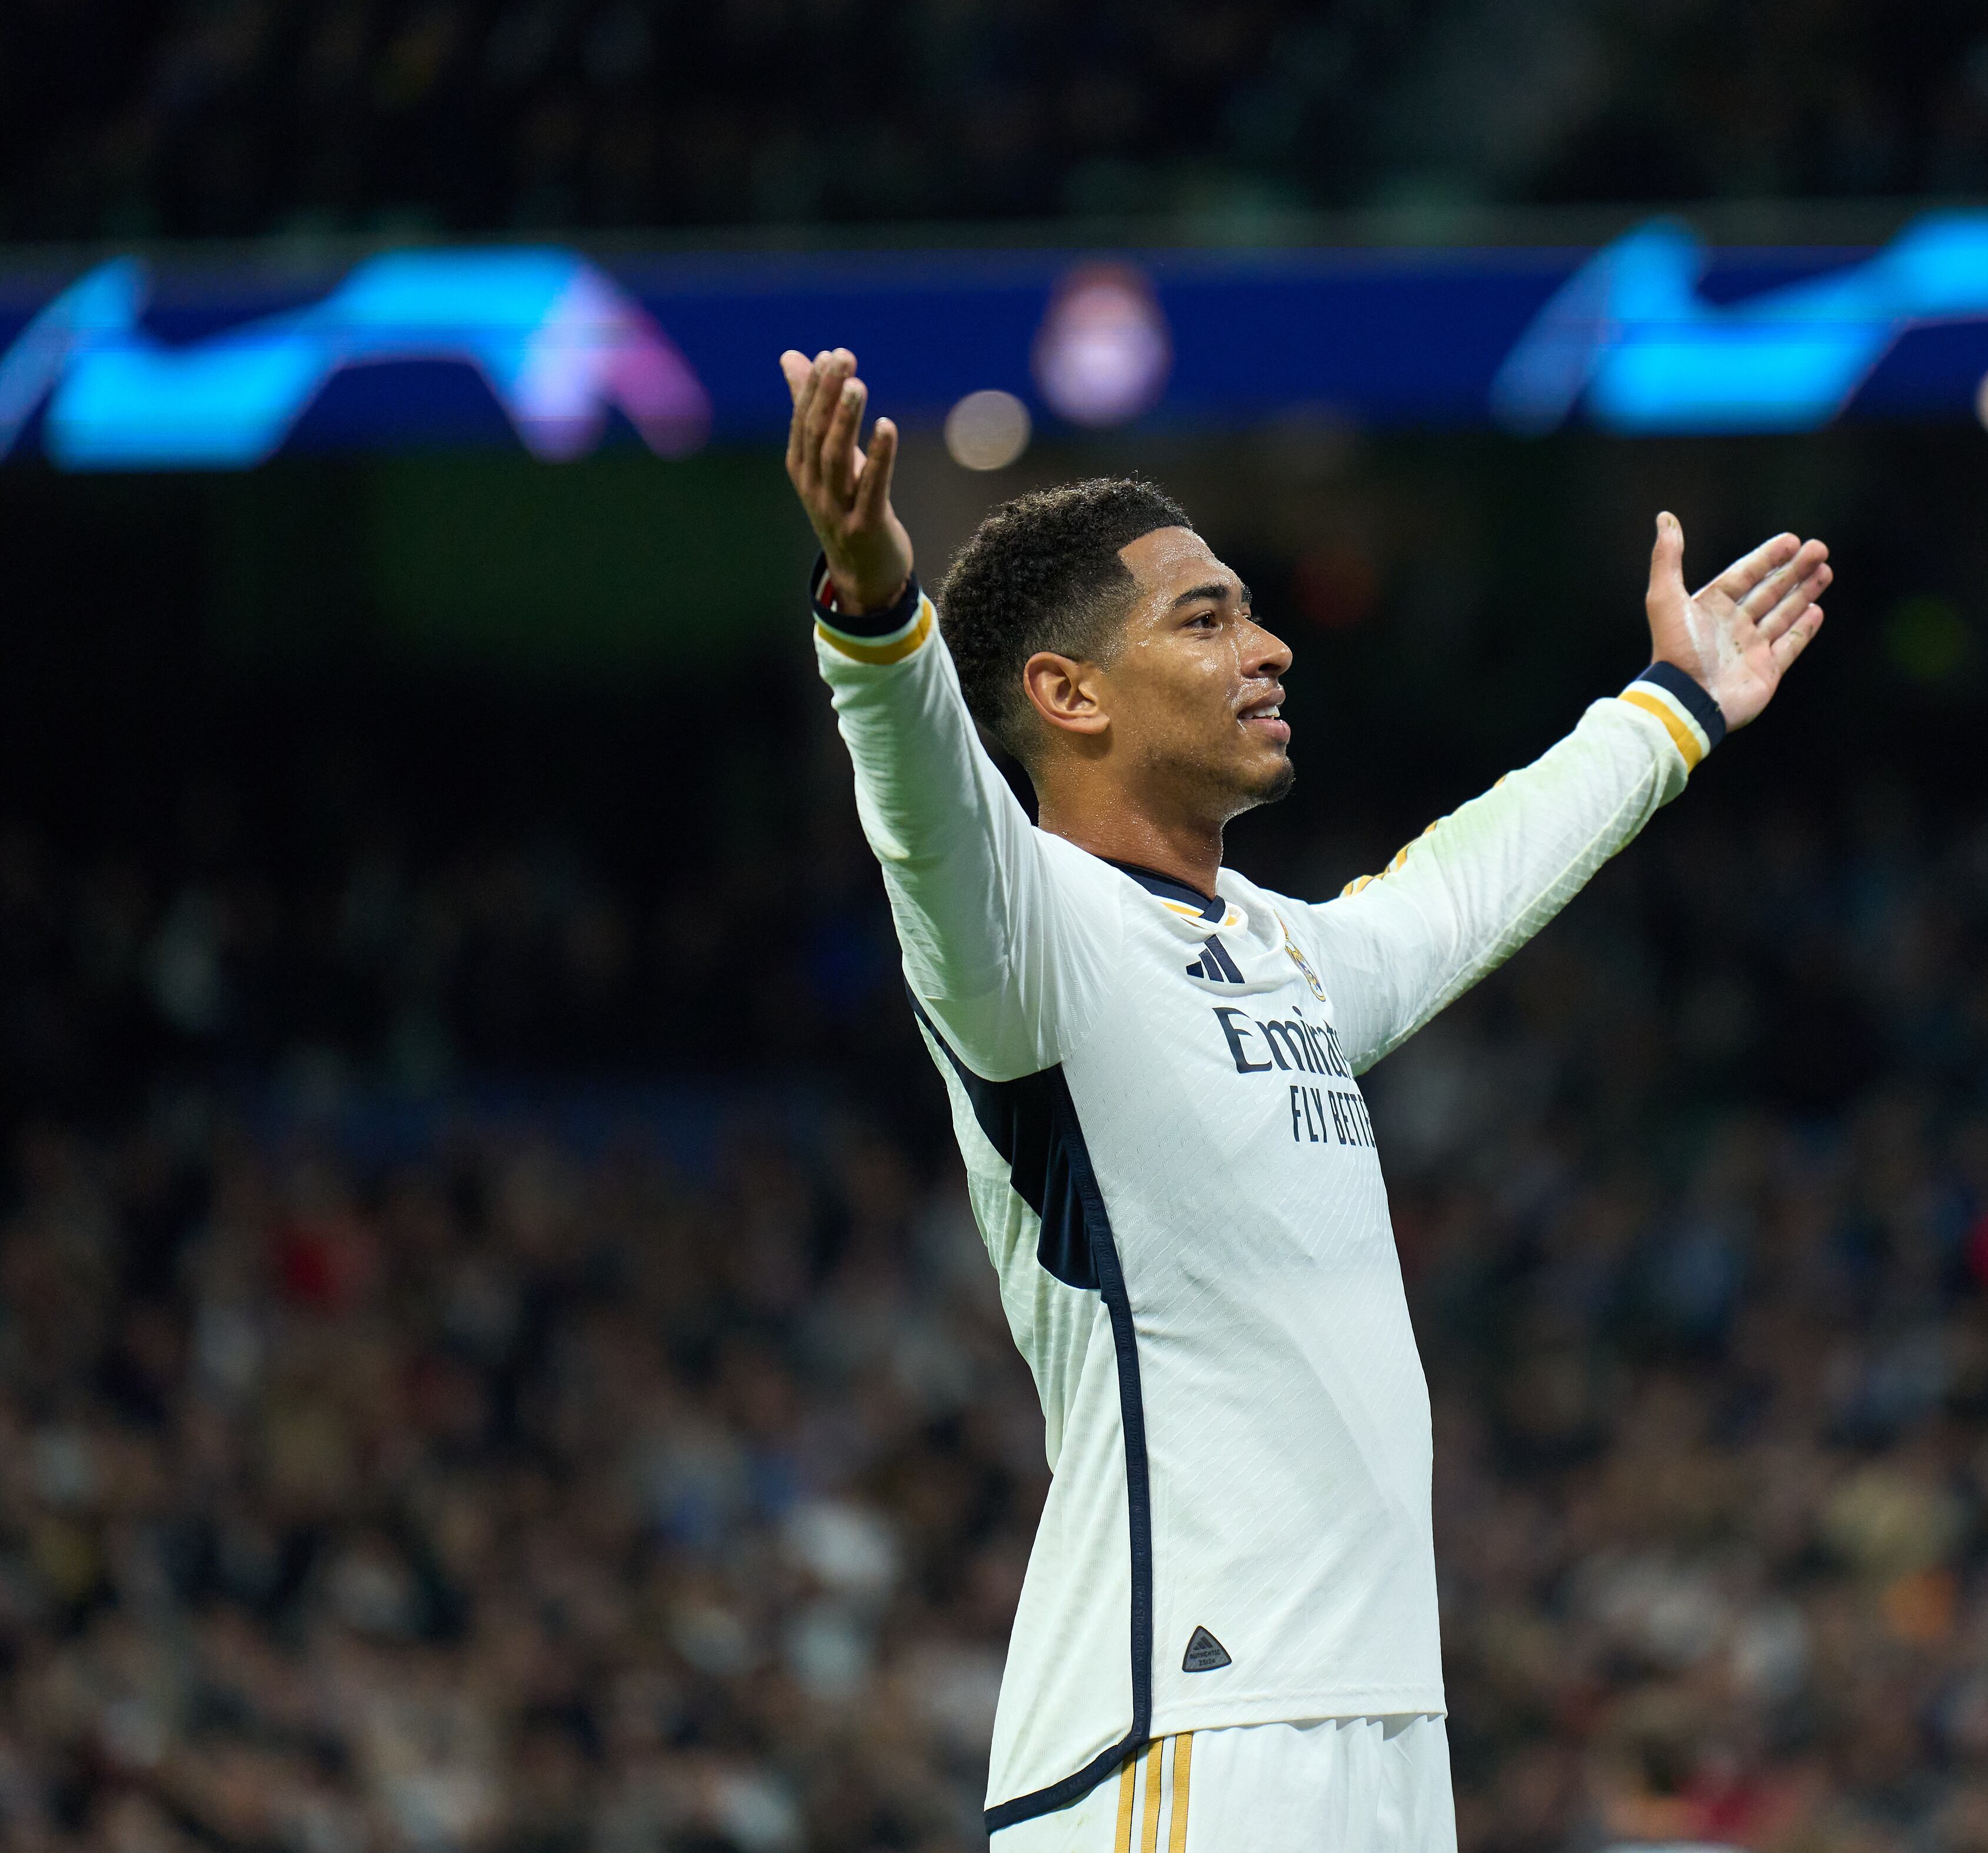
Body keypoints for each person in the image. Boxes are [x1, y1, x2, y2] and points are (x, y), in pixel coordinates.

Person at [780, 345, 1830, 1851]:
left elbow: (1469, 885)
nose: (1267, 645)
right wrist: (878, 617)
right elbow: (924, 805)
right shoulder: (1028, 942)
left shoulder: (1281, 954)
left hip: (1381, 1727)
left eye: (1251, 609)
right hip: (1180, 1738)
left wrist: (1672, 707)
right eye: (1204, 619)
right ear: (1065, 692)